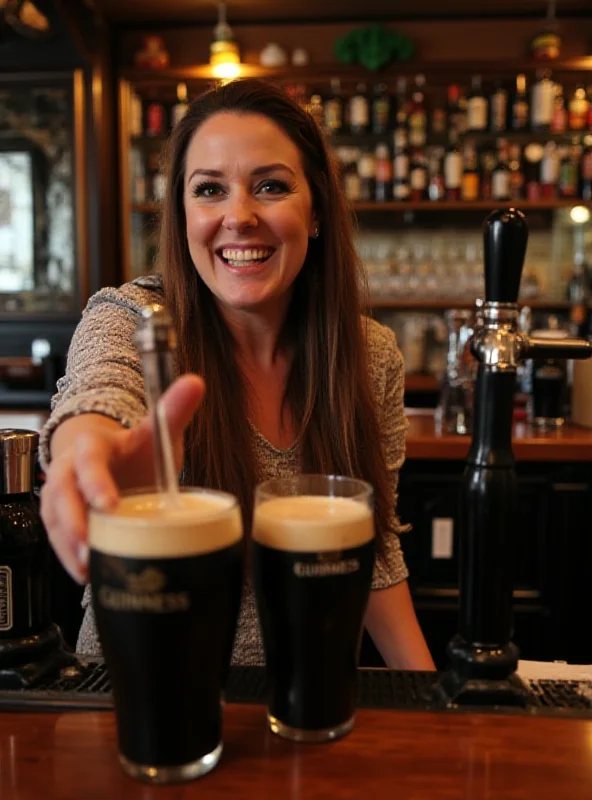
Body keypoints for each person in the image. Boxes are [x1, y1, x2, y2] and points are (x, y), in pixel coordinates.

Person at [39, 78, 435, 671]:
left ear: (318, 211)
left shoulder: (371, 355)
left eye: (271, 186)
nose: (239, 217)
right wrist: (84, 449)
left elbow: (375, 552)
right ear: (181, 215)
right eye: (209, 190)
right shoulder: (136, 323)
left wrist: (436, 715)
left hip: (309, 708)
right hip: (148, 704)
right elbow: (97, 393)